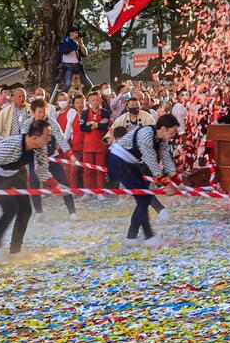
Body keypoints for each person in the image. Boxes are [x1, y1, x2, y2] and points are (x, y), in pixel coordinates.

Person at [0, 118, 58, 264]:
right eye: (47, 136)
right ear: (34, 137)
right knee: (10, 209)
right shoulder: (11, 145)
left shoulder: (40, 147)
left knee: (26, 209)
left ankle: (15, 250)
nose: (49, 140)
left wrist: (56, 185)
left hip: (16, 174)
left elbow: (41, 170)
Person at [108, 116, 181, 248]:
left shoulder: (161, 140)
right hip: (118, 160)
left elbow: (167, 160)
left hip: (130, 163)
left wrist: (178, 180)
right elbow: (152, 164)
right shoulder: (146, 135)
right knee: (143, 198)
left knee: (145, 198)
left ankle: (131, 236)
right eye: (173, 131)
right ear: (163, 129)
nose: (174, 134)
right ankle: (148, 237)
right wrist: (167, 184)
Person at [23, 99, 78, 220]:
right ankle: (39, 212)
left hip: (52, 157)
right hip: (35, 159)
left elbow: (61, 139)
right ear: (33, 112)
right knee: (34, 186)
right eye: (39, 112)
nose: (42, 114)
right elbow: (24, 142)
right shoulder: (27, 124)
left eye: (44, 112)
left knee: (64, 183)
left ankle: (72, 212)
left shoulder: (52, 123)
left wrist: (71, 156)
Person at [79, 90, 111, 199]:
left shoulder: (105, 112)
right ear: (89, 101)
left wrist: (92, 124)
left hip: (101, 145)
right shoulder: (85, 113)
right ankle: (87, 192)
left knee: (100, 170)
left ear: (101, 100)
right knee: (87, 170)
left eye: (97, 100)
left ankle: (100, 192)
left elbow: (105, 126)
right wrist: (98, 124)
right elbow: (83, 128)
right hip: (87, 146)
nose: (95, 102)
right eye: (93, 100)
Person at [57, 27, 91, 92]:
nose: (77, 35)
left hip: (78, 67)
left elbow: (85, 54)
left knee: (88, 85)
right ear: (70, 33)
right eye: (76, 33)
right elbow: (65, 51)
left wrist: (82, 45)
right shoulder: (65, 41)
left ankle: (80, 99)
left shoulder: (77, 43)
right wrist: (71, 40)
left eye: (77, 33)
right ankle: (61, 98)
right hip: (67, 67)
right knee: (67, 84)